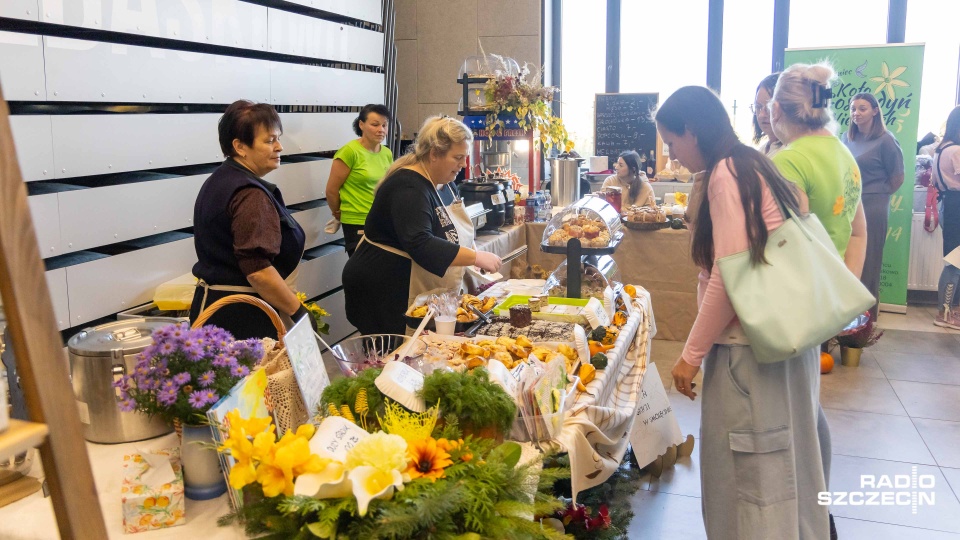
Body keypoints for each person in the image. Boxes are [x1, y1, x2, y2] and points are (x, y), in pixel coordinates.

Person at [658, 86, 828, 539]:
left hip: (749, 353)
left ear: (692, 131)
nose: (673, 155)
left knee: (753, 480)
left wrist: (689, 356)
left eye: (673, 143)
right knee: (788, 466)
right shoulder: (754, 163)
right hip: (786, 344)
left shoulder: (726, 174)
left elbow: (729, 277)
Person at [769, 63, 867, 540]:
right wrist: (842, 296)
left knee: (794, 414)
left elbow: (781, 243)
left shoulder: (788, 161)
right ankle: (819, 507)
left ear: (779, 110)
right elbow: (860, 231)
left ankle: (808, 515)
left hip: (796, 300)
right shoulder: (843, 154)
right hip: (825, 298)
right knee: (810, 404)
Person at [342, 116, 502, 335]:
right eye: (457, 157)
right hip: (384, 289)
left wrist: (469, 253)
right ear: (434, 154)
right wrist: (474, 257)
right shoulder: (408, 187)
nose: (463, 165)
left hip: (407, 284)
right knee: (392, 359)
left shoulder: (443, 181)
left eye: (465, 157)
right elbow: (420, 242)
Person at [190, 100, 314, 340]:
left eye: (278, 138)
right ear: (240, 146)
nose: (279, 147)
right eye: (269, 141)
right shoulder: (249, 194)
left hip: (221, 310)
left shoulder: (223, 178)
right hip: (242, 318)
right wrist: (298, 312)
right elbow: (258, 271)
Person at [842, 92, 905, 320]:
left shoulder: (886, 140)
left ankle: (864, 322)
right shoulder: (846, 138)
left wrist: (878, 193)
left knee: (869, 261)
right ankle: (846, 316)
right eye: (853, 108)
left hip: (873, 206)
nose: (856, 113)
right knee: (846, 257)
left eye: (862, 108)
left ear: (875, 111)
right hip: (847, 205)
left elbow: (897, 176)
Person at [326, 104, 394, 255]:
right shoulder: (349, 152)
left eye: (384, 125)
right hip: (356, 221)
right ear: (361, 124)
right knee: (363, 272)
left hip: (381, 219)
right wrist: (337, 212)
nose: (381, 130)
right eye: (375, 124)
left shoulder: (387, 153)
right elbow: (331, 190)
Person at [932, 106, 960, 329]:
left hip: (947, 204)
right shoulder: (956, 151)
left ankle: (951, 311)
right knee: (954, 261)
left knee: (956, 259)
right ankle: (945, 312)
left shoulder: (941, 149)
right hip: (956, 205)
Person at [752, 72, 783, 157]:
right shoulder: (760, 152)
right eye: (758, 107)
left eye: (769, 108)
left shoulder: (789, 152)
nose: (761, 115)